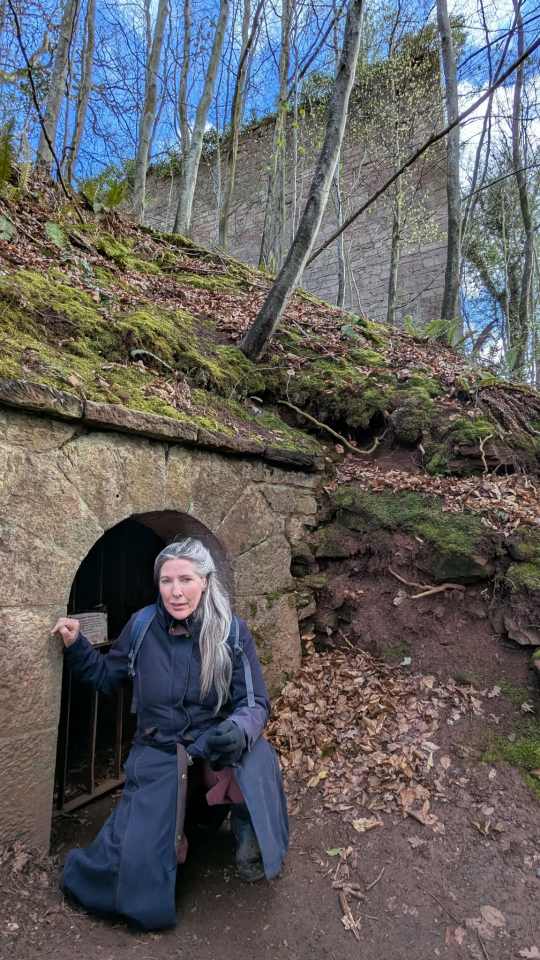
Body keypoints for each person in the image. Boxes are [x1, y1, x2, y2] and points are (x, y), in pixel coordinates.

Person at [51, 538, 288, 930]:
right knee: (131, 879)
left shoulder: (231, 631)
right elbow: (107, 676)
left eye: (186, 579)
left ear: (205, 581)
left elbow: (255, 701)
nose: (176, 591)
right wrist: (76, 645)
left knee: (257, 757)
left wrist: (239, 729)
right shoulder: (142, 626)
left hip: (212, 745)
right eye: (166, 581)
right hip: (159, 751)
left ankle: (250, 837)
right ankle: (174, 832)